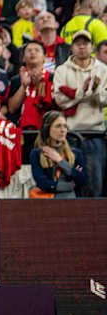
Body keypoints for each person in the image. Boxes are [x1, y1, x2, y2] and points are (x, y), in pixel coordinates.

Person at [51, 30, 107, 197]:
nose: (82, 47)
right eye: (77, 43)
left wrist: (93, 91)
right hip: (68, 134)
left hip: (95, 133)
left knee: (95, 182)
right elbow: (59, 100)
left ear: (92, 48)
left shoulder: (103, 70)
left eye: (85, 43)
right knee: (67, 182)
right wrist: (83, 93)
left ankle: (93, 221)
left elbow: (104, 100)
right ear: (72, 47)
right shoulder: (62, 70)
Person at [30, 111, 88, 198]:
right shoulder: (36, 154)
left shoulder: (76, 153)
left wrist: (60, 161)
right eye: (58, 126)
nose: (63, 130)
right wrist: (70, 185)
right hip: (46, 203)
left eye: (65, 126)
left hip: (70, 202)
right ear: (47, 129)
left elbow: (82, 180)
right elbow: (43, 184)